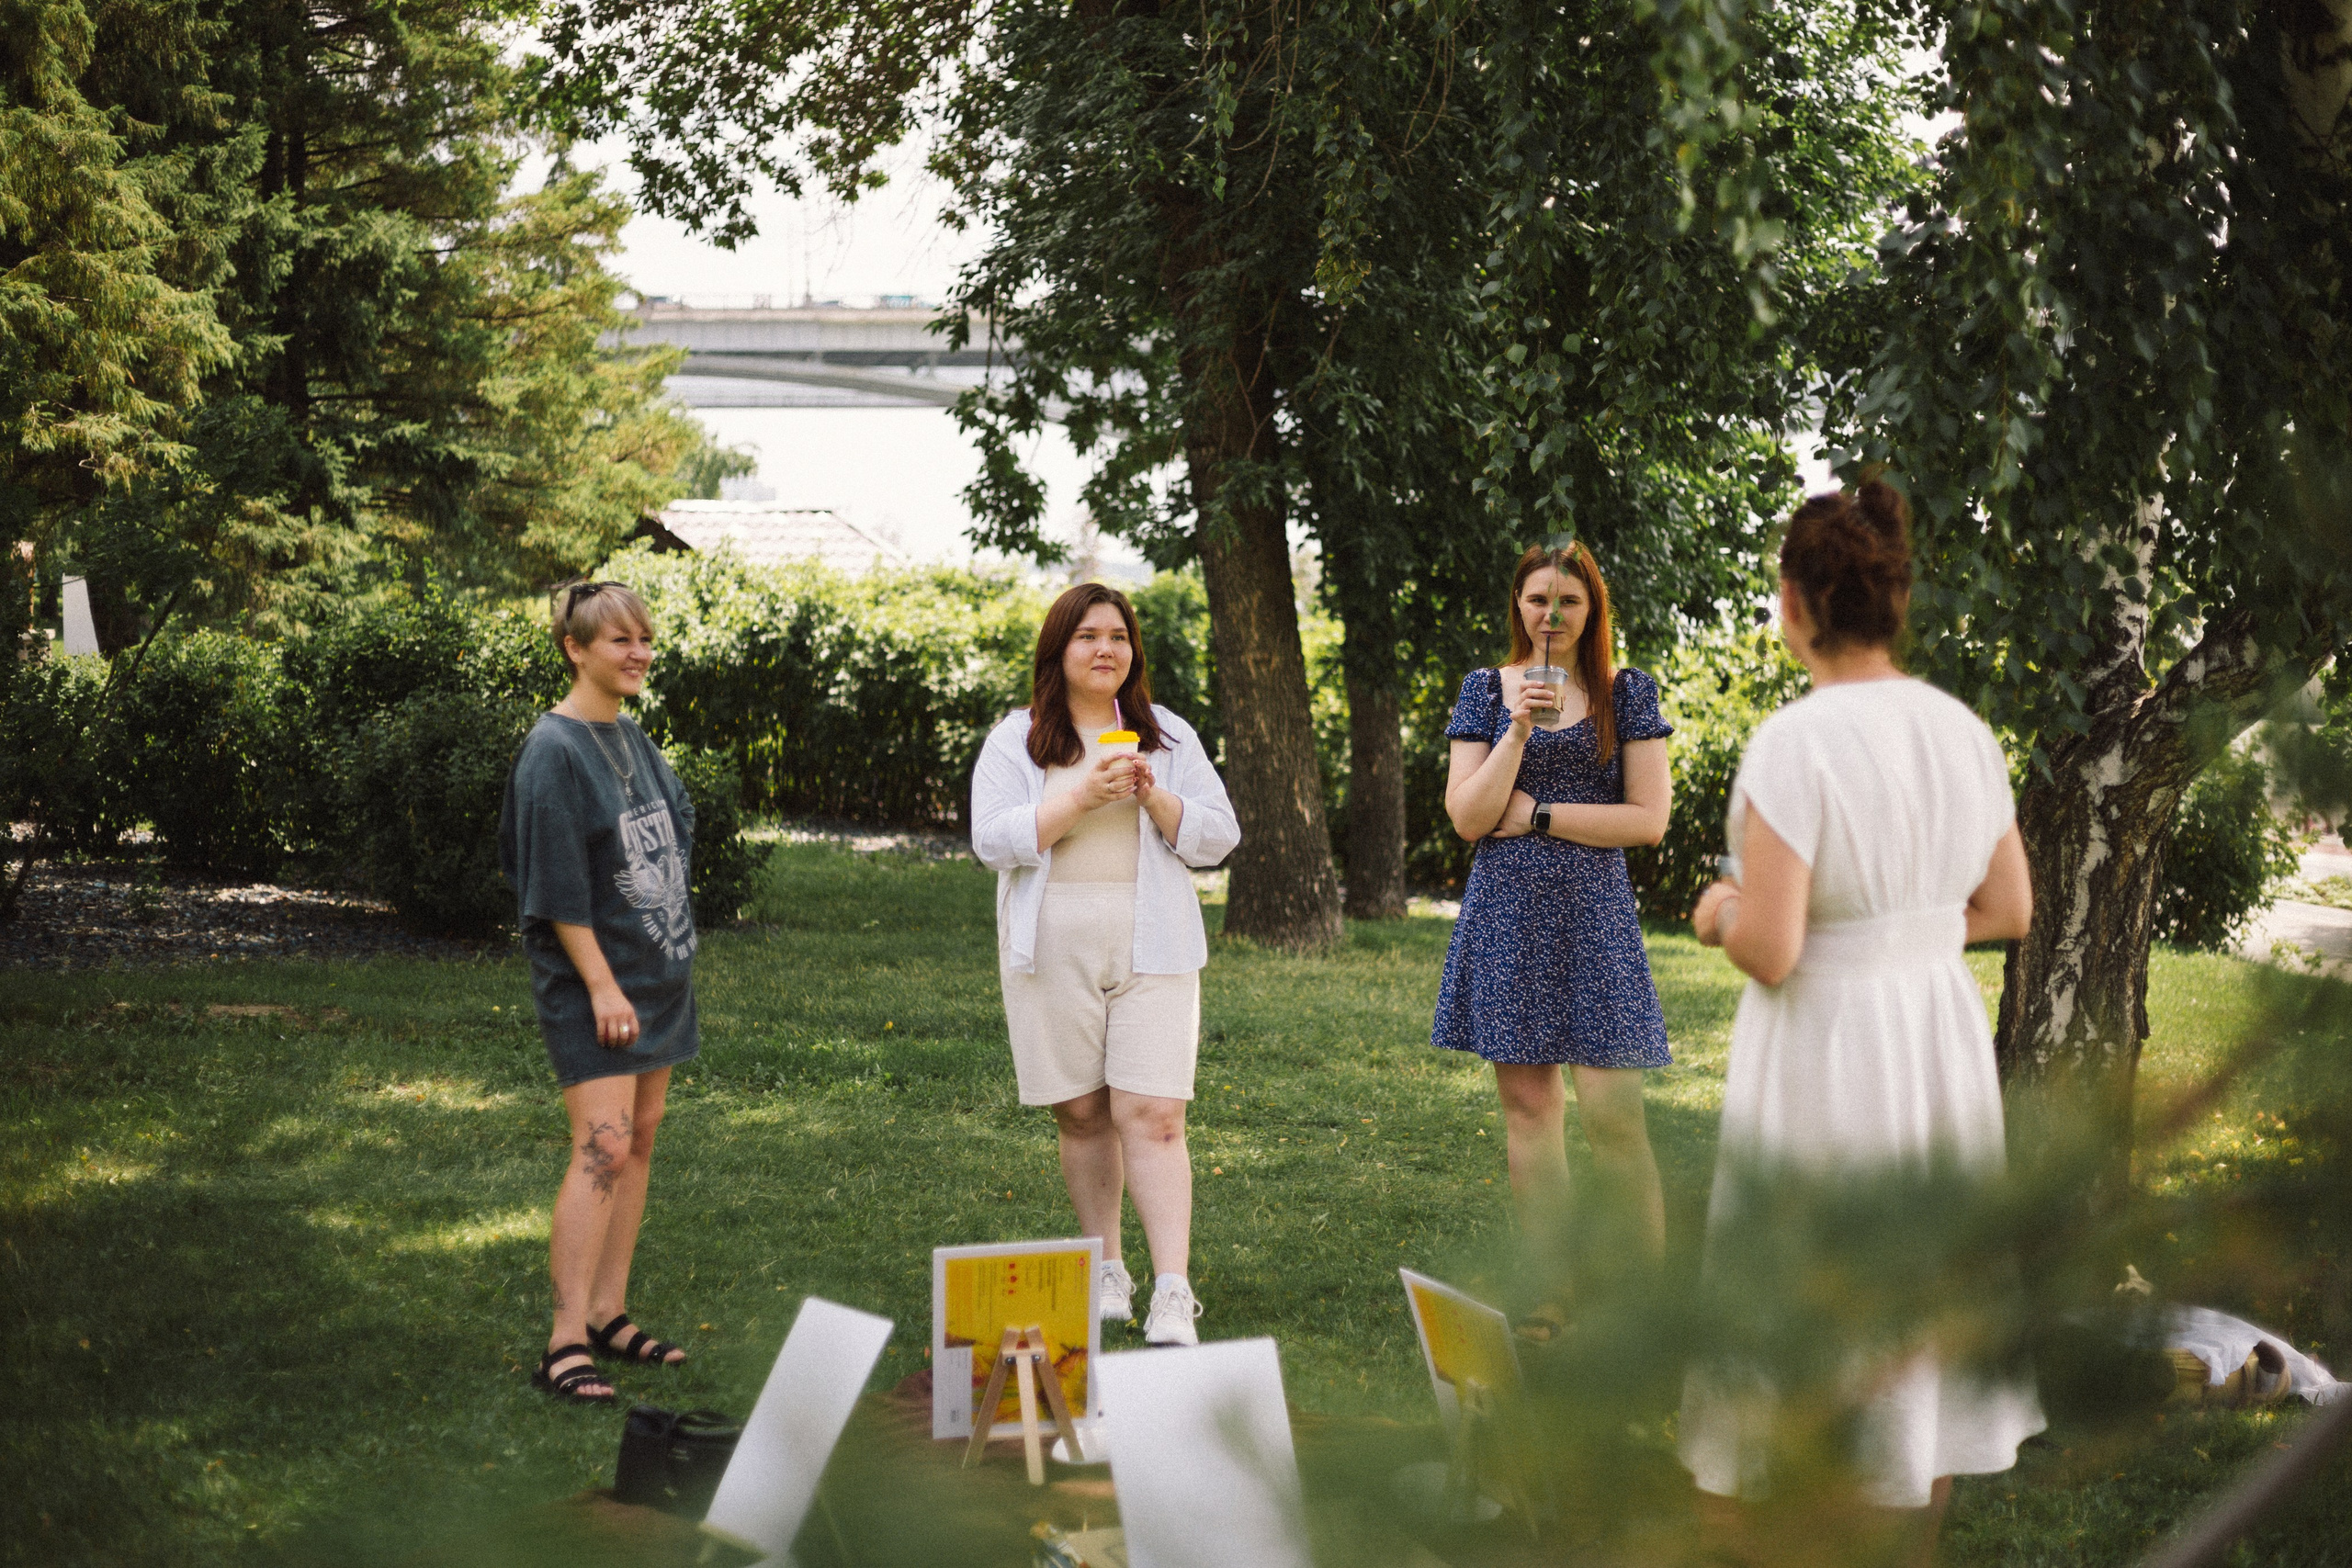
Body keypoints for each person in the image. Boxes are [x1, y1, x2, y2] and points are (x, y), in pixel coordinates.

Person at [1679, 483, 2041, 1562]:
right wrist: (1909, 935)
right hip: (1931, 1042)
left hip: (1829, 1050)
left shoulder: (1800, 741)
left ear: (1795, 602)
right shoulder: (1961, 731)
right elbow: (2009, 909)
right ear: (1892, 600)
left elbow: (1773, 945)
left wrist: (1716, 910)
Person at [970, 583, 1240, 1347]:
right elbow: (992, 839)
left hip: (1154, 948)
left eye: (1118, 637)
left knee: (1154, 1116)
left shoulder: (1169, 738)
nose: (1104, 649)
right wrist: (1082, 796)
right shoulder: (1017, 740)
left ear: (1133, 652)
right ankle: (1109, 1269)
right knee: (1083, 1113)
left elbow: (1219, 836)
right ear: (1059, 651)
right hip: (1050, 952)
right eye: (1088, 636)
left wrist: (1158, 802)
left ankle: (1172, 1290)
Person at [1432, 541, 1675, 1334]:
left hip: (1595, 919)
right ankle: (1551, 1290)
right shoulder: (1484, 689)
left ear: (1592, 609)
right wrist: (1515, 732)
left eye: (1569, 601)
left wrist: (1537, 815)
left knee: (1614, 1115)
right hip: (1508, 917)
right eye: (1539, 599)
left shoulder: (1625, 692)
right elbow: (1468, 817)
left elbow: (1648, 819)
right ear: (1518, 606)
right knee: (1530, 1109)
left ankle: (1641, 1299)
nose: (1552, 615)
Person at [500, 581, 701, 1404]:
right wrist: (603, 986)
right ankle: (563, 1338)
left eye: (645, 637)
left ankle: (610, 1312)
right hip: (599, 987)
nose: (639, 652)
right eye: (620, 640)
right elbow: (553, 890)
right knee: (603, 1147)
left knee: (641, 1139)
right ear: (575, 648)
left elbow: (674, 830)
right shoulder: (552, 752)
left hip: (656, 976)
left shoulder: (632, 738)